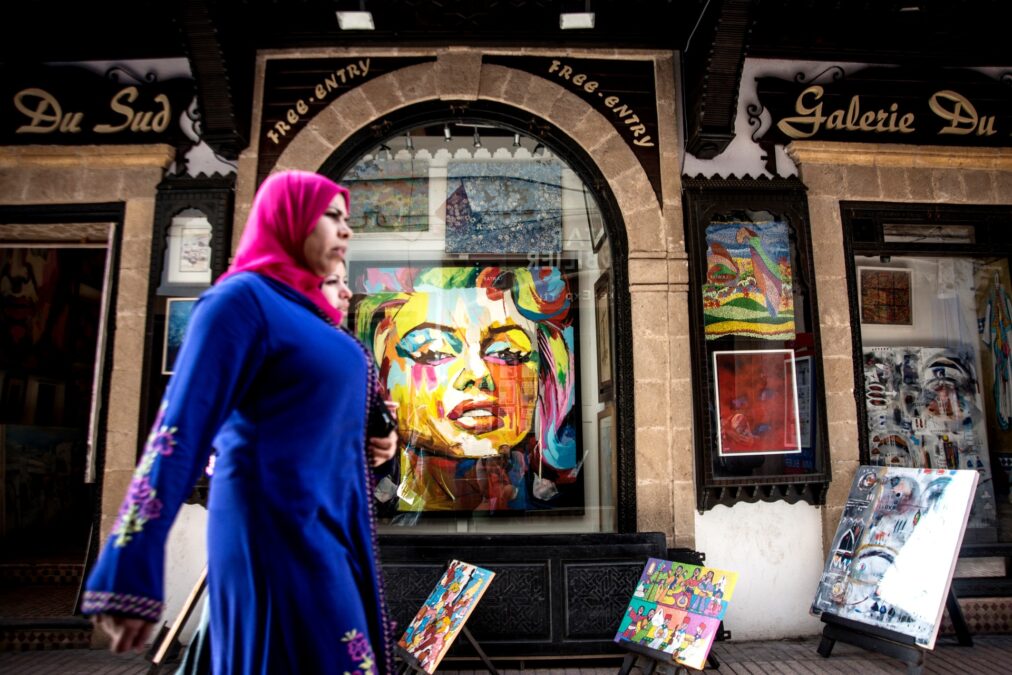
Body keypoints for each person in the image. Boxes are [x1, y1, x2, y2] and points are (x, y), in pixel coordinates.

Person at [82, 170, 396, 675]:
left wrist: (379, 439)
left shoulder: (312, 319)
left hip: (329, 531)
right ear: (289, 220)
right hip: (272, 531)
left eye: (347, 219)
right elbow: (177, 435)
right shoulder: (240, 303)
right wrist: (129, 570)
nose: (346, 230)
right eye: (333, 216)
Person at [353, 265, 578, 513]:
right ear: (380, 369)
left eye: (507, 352)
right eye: (433, 352)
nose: (479, 374)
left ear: (544, 373)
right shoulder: (357, 507)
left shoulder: (554, 509)